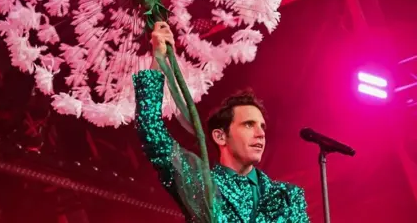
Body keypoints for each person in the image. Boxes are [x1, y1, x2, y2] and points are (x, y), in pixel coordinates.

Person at [132, 22, 310, 222]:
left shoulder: (287, 197)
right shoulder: (201, 184)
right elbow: (151, 130)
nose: (260, 133)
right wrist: (159, 56)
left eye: (262, 126)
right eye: (248, 125)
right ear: (220, 136)